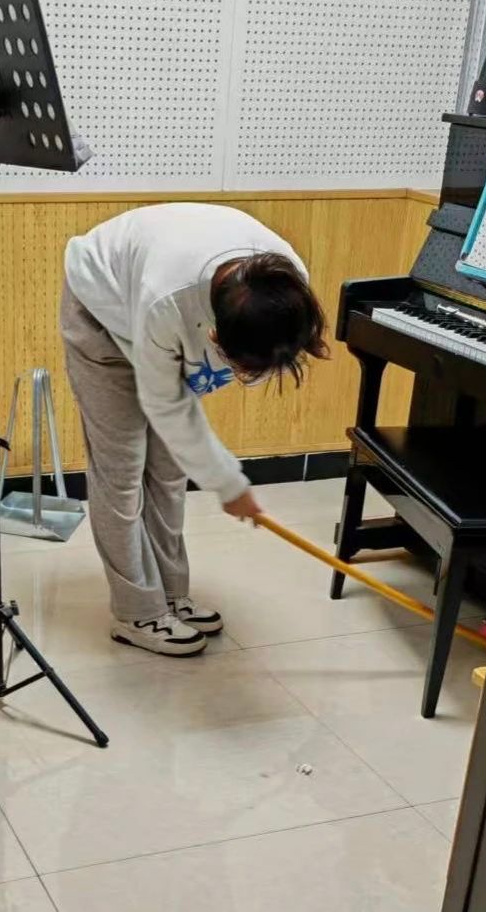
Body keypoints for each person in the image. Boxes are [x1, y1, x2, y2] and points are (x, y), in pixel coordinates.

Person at [60, 203, 329, 656]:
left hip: (162, 299)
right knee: (122, 470)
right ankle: (135, 613)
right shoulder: (167, 300)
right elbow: (167, 407)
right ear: (214, 338)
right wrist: (228, 484)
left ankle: (170, 596)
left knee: (168, 469)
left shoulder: (285, 288)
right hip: (102, 308)